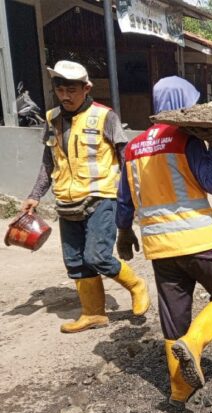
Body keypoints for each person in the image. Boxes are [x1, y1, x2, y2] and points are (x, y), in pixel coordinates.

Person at [116, 76, 212, 408]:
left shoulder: (132, 147)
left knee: (174, 318)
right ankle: (195, 344)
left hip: (159, 248)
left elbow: (124, 199)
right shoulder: (185, 139)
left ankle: (178, 391)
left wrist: (124, 232)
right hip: (199, 240)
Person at [21, 60, 149, 333]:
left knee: (97, 256)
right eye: (60, 89)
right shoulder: (52, 117)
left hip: (101, 196)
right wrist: (35, 195)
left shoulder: (105, 117)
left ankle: (136, 285)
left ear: (86, 88)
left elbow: (125, 158)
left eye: (71, 90)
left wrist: (132, 199)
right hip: (66, 202)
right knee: (76, 261)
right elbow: (49, 160)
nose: (65, 96)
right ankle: (93, 314)